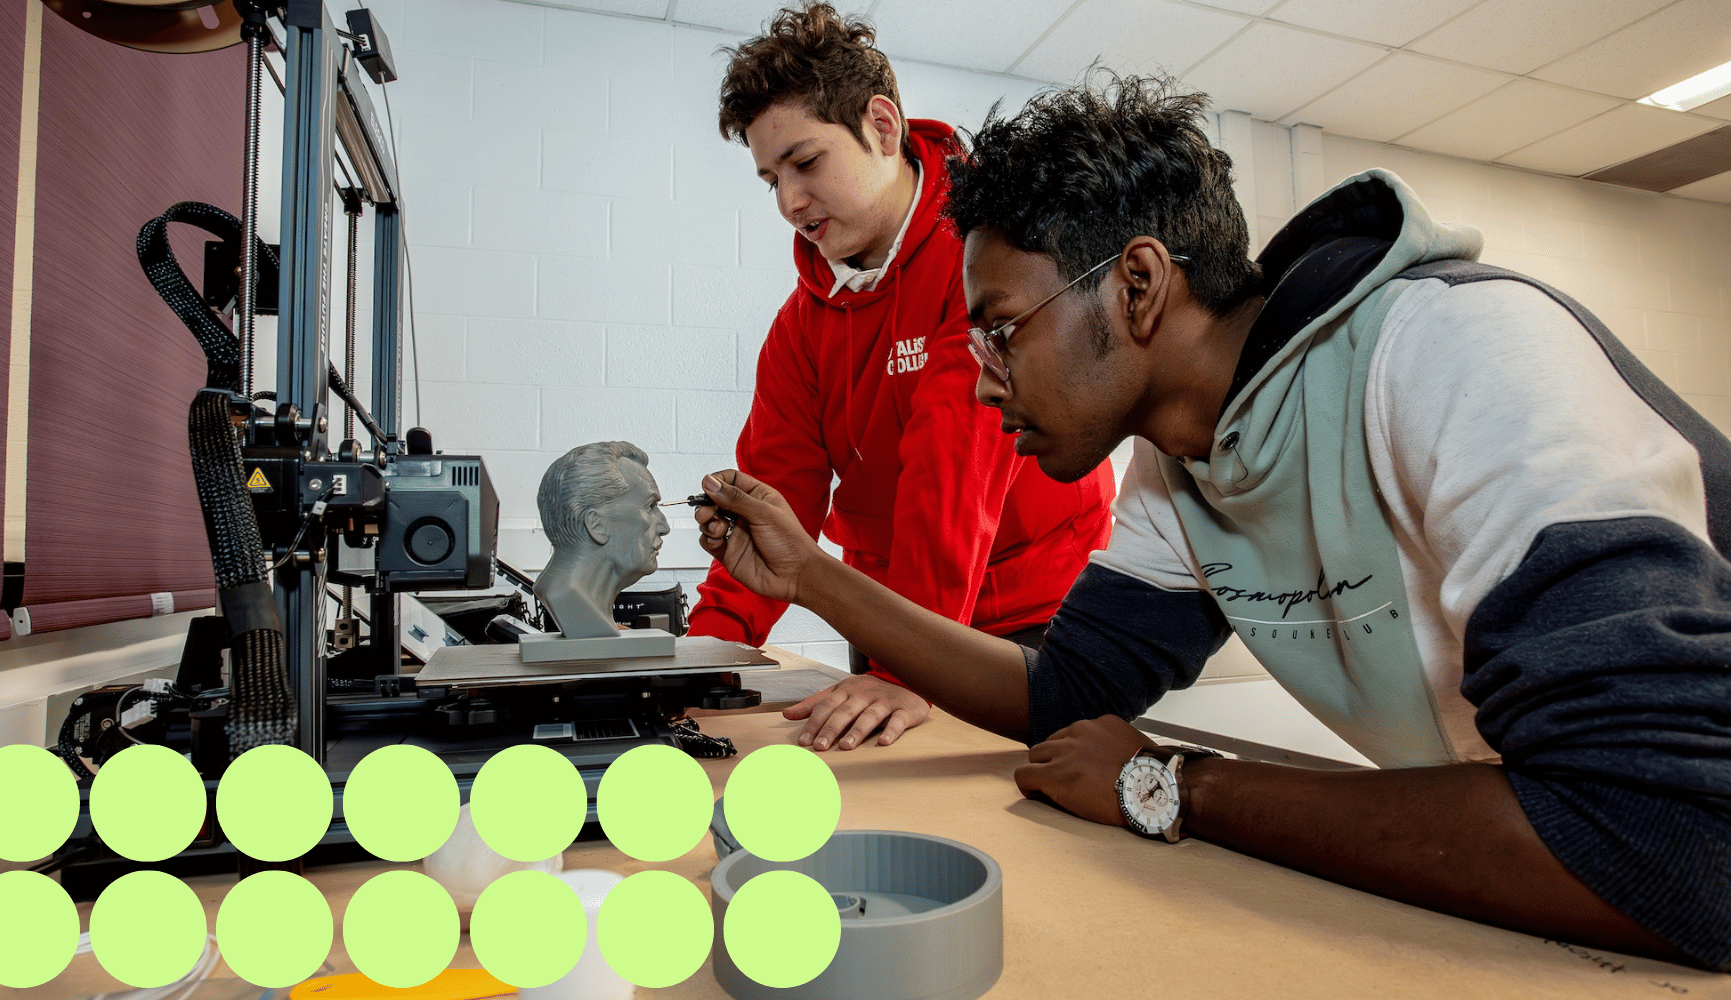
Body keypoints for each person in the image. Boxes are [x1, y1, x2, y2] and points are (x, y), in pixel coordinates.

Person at [688, 75, 1731, 970]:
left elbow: (1673, 843)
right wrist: (809, 576)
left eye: (1003, 331)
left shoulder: (1457, 351)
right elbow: (1065, 692)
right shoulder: (1180, 460)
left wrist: (1173, 783)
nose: (986, 380)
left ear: (1136, 285)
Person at [689, 2, 1116, 750]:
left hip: (1034, 617)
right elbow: (773, 497)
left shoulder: (983, 264)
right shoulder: (801, 325)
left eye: (806, 162)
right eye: (770, 179)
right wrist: (703, 654)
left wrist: (906, 667)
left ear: (882, 127)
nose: (789, 201)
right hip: (893, 622)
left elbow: (951, 478)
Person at [534, 441, 670, 638]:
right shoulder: (566, 598)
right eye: (650, 507)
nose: (665, 527)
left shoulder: (581, 602)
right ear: (597, 525)